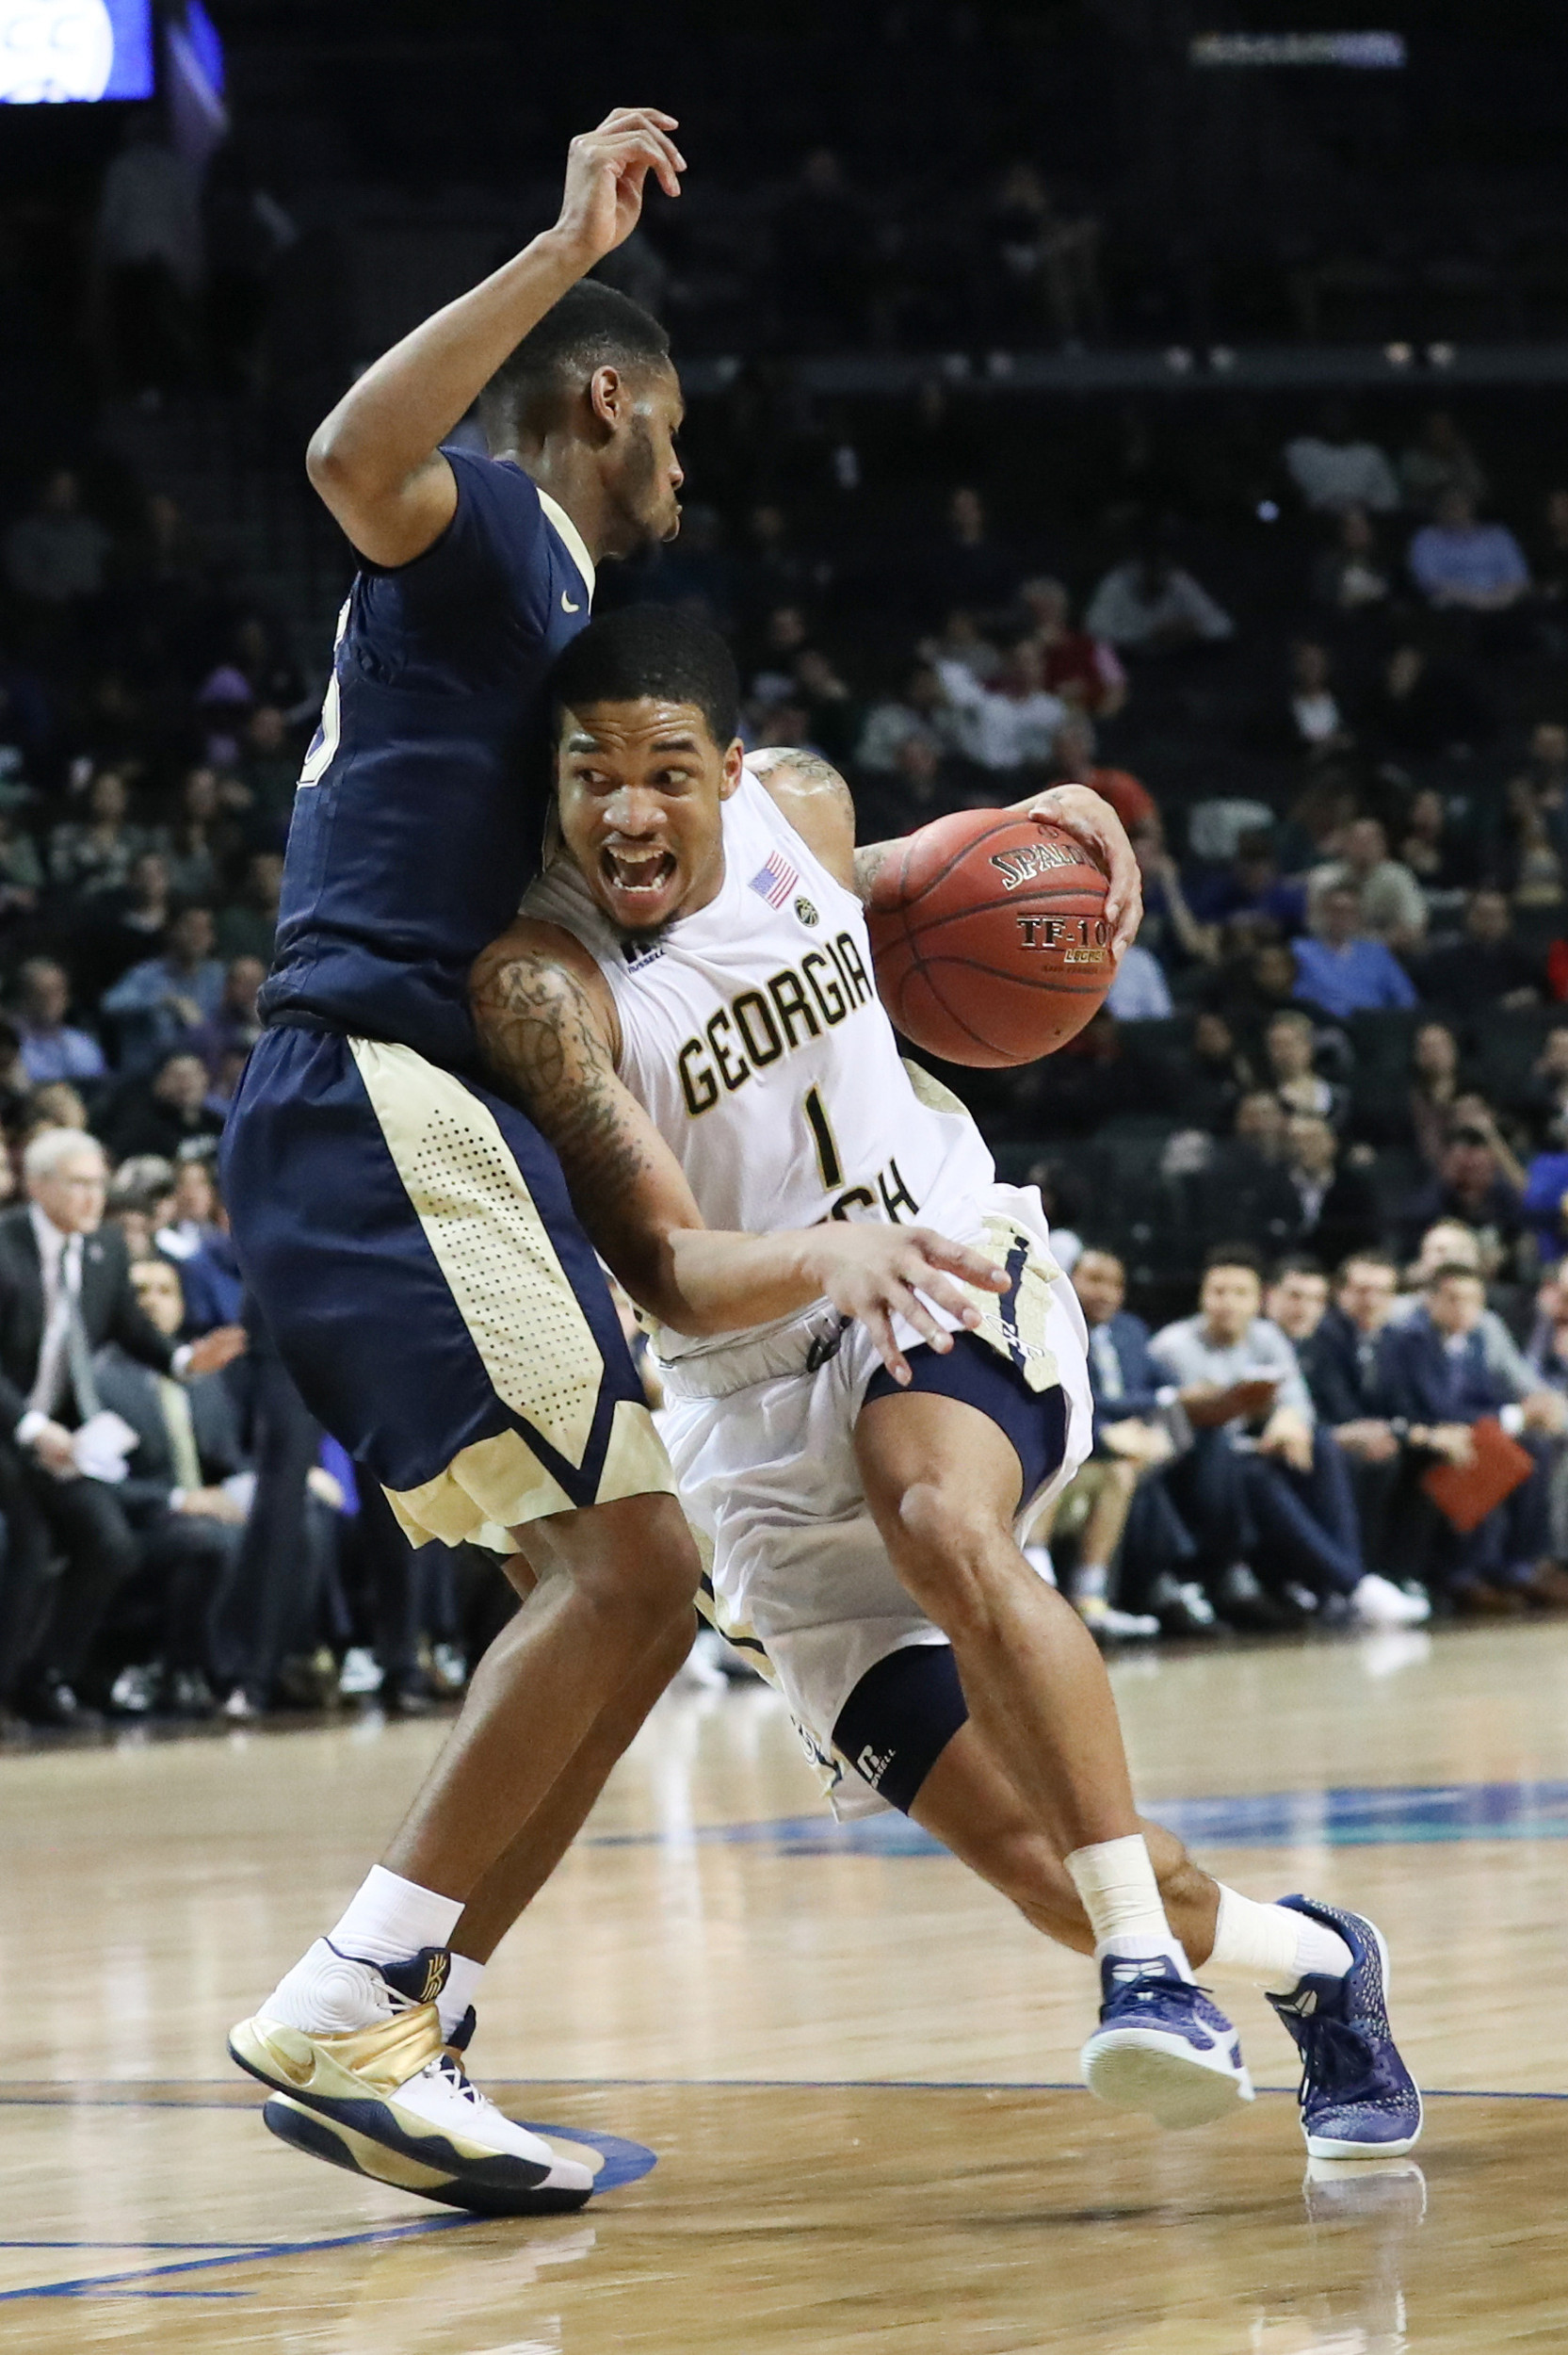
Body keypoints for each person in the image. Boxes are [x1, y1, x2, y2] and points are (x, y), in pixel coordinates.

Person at [471, 608, 1414, 2160]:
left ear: (728, 768)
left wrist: (1064, 825)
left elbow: (931, 886)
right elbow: (660, 1265)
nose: (630, 808)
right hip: (747, 1410)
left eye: (668, 771)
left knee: (938, 1512)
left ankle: (1146, 1981)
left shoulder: (808, 813)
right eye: (592, 775)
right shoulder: (546, 982)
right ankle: (1315, 1966)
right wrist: (811, 1267)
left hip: (939, 1267)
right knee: (1046, 1867)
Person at [219, 109, 706, 2216]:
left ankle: (414, 2013)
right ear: (609, 400)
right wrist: (552, 243)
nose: (693, 473)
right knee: (635, 1566)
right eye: (674, 430)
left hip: (410, 1115)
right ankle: (355, 1990)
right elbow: (349, 454)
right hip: (373, 1095)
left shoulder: (556, 632)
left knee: (620, 1593)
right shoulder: (508, 522)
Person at [0, 1131, 243, 1728]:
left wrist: (188, 1363)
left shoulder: (107, 1249)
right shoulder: (4, 1246)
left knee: (110, 1544)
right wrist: (32, 1427)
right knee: (30, 1541)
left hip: (57, 1439)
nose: (92, 1196)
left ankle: (46, 1678)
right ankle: (10, 1689)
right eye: (78, 1183)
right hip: (10, 1427)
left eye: (97, 1184)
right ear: (38, 1186)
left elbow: (135, 1330)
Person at [1152, 1246, 1427, 1630]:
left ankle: (1343, 1584)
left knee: (1319, 1444)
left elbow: (1297, 1400)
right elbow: (1178, 1424)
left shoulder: (1266, 1337)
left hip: (1254, 1454)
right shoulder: (1173, 1345)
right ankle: (1353, 1584)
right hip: (1196, 1466)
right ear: (1203, 1296)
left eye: (1239, 1293)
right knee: (1258, 1474)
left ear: (1257, 1300)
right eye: (1218, 1292)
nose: (1227, 1303)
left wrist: (1287, 1420)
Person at [92, 1254, 250, 1719]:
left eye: (165, 1291)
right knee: (209, 1543)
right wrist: (182, 1499)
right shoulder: (101, 1376)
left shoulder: (202, 1380)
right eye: (140, 1292)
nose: (152, 1302)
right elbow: (100, 1480)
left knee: (298, 1524)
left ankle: (274, 1664)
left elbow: (227, 1460)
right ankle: (181, 1670)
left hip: (205, 1511)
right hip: (140, 1519)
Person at [1376, 1263, 1568, 1616]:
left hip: (1470, 1432)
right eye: (1453, 1298)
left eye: (1472, 1300)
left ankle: (1518, 1566)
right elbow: (1433, 1406)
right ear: (1430, 1300)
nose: (1463, 1308)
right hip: (1423, 1435)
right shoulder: (1408, 1338)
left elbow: (1486, 1397)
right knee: (1479, 1451)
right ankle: (1460, 1573)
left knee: (1536, 1447)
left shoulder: (1478, 1338)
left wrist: (1518, 1414)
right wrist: (1511, 1416)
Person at [1292, 884, 1417, 1020]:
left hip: (1372, 1026)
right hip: (1321, 1026)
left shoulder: (1377, 953)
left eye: (1349, 911)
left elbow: (1406, 999)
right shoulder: (1300, 951)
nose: (1341, 917)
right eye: (1335, 910)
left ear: (1359, 916)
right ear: (1322, 912)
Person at [1308, 817, 1426, 954]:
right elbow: (1315, 928)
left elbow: (1413, 927)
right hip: (1332, 954)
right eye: (1358, 841)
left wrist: (1369, 945)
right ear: (1345, 845)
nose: (1363, 848)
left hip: (1387, 953)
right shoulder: (1324, 878)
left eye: (1370, 842)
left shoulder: (1398, 877)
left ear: (1383, 846)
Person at [1409, 489, 1529, 612]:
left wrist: (1497, 600)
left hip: (1503, 603)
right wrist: (1476, 599)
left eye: (1461, 503)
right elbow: (1429, 580)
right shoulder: (1426, 538)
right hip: (1456, 606)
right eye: (1450, 504)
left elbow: (1517, 575)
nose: (1456, 508)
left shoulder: (1498, 535)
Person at [12, 958, 105, 1088]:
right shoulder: (9, 1046)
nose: (49, 1001)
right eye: (40, 993)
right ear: (24, 998)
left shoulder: (82, 1045)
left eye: (56, 992)